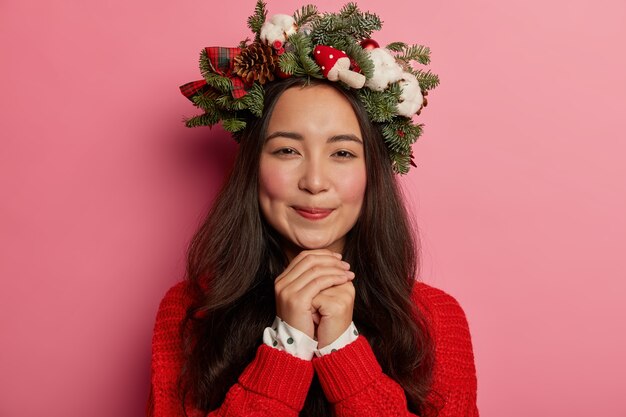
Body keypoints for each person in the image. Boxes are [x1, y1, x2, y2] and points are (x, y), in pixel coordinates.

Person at [148, 2, 478, 416]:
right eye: (287, 150)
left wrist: (341, 346)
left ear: (372, 173)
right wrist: (289, 342)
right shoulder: (189, 312)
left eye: (342, 152)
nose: (315, 181)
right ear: (253, 168)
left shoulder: (435, 319)